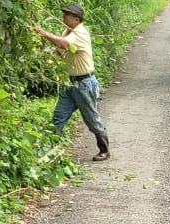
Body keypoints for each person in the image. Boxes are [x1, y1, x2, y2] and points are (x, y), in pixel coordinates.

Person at [34, 3, 111, 161]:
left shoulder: (80, 33)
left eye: (67, 15)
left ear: (76, 19)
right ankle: (50, 152)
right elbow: (61, 49)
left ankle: (104, 150)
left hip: (85, 83)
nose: (63, 17)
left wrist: (43, 32)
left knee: (91, 118)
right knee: (59, 116)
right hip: (71, 83)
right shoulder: (67, 32)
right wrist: (46, 43)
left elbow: (63, 43)